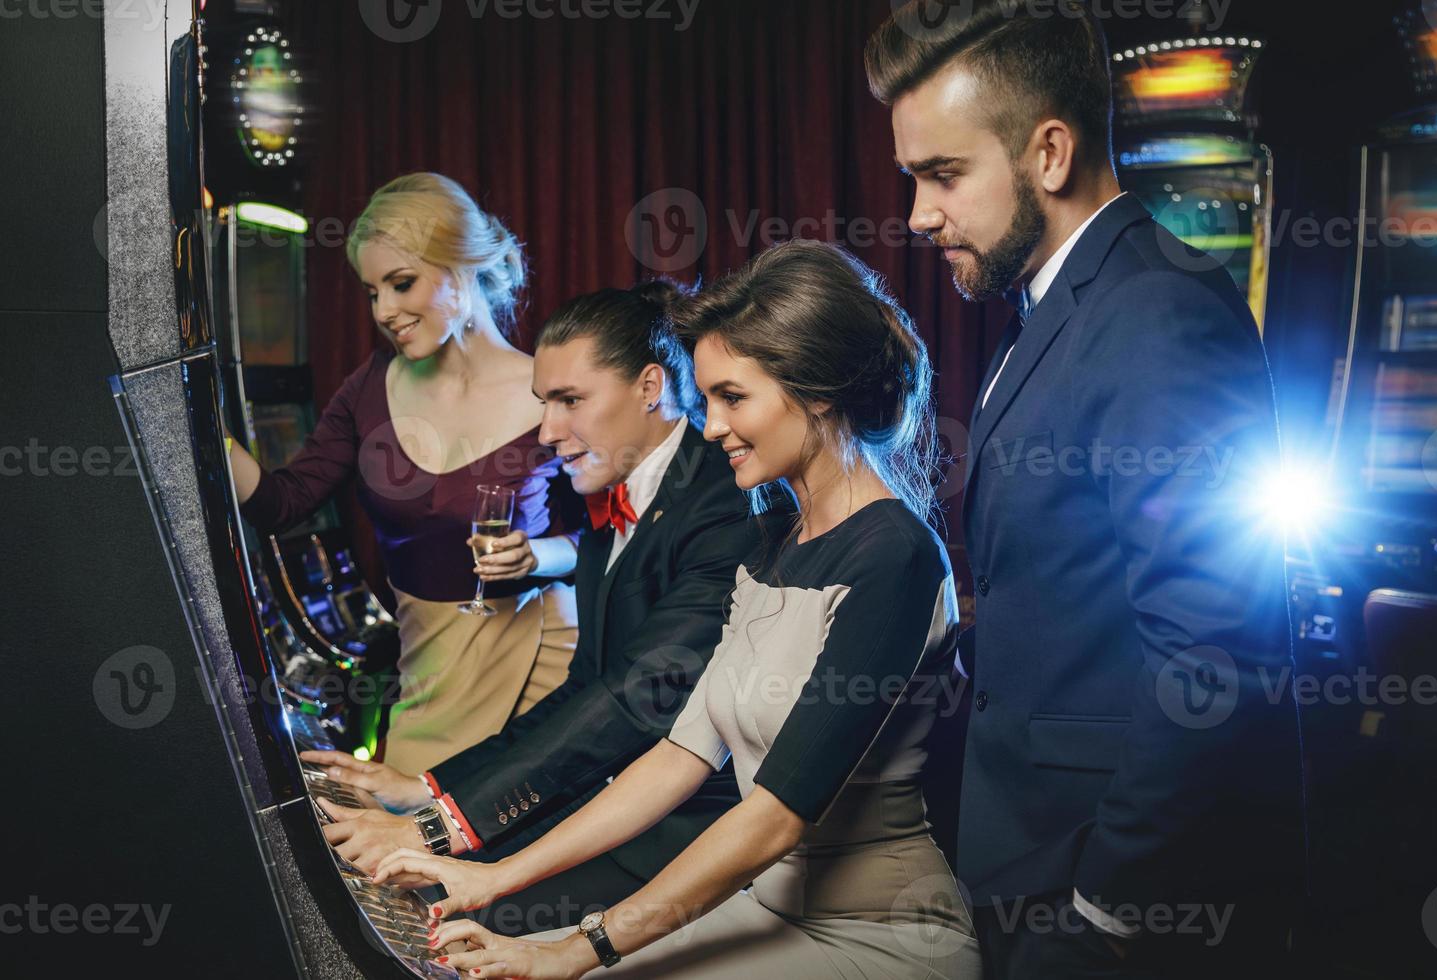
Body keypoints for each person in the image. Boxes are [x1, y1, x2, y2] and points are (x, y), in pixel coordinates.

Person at [372, 239, 982, 979]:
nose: (713, 424)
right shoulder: (772, 535)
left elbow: (774, 816)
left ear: (817, 390)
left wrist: (578, 946)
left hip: (875, 934)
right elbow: (681, 754)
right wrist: (498, 875)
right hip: (766, 905)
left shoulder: (895, 555)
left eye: (733, 397)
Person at [866, 4, 1305, 977]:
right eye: (913, 179)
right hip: (1032, 854)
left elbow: (1210, 650)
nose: (918, 215)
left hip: (1121, 900)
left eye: (943, 175)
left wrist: (1107, 907)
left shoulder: (1155, 312)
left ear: (1050, 152)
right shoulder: (1062, 301)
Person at [303, 280, 791, 937]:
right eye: (543, 404)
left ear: (649, 387)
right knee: (417, 889)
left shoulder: (728, 498)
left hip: (695, 832)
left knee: (459, 922)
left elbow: (636, 697)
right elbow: (585, 688)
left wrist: (439, 825)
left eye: (570, 401)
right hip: (607, 802)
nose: (549, 431)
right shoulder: (614, 495)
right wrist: (428, 788)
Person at [231, 173, 582, 774]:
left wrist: (535, 556)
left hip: (538, 650)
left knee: (525, 844)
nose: (385, 311)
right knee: (412, 848)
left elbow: (618, 538)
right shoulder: (370, 387)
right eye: (373, 293)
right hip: (428, 664)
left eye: (401, 284)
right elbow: (282, 502)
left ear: (462, 269)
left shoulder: (549, 391)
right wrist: (202, 423)